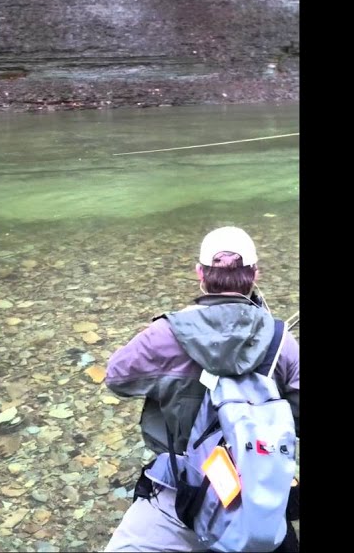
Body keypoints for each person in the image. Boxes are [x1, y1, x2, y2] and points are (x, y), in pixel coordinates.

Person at [103, 226, 300, 552]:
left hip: (179, 487)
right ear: (254, 275)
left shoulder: (165, 333)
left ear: (200, 274)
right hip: (257, 487)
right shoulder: (282, 340)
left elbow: (117, 379)